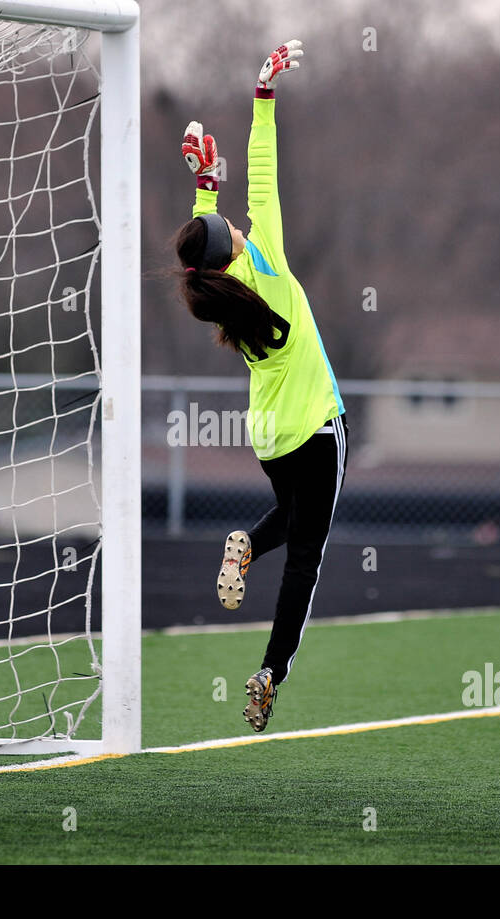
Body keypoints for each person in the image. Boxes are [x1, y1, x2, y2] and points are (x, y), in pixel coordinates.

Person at [173, 40, 347, 733]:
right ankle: (272, 670)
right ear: (238, 247)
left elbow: (203, 252)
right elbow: (266, 177)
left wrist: (205, 186)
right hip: (318, 424)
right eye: (234, 230)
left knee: (293, 519)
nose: (241, 226)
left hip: (271, 436)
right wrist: (262, 94)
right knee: (306, 555)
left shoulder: (217, 295)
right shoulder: (265, 261)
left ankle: (245, 541)